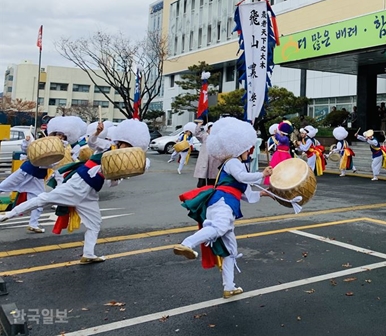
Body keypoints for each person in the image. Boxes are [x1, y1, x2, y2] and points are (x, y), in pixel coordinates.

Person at [1, 118, 150, 263]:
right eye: (126, 144)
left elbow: (114, 181)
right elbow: (92, 143)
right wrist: (97, 133)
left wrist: (121, 175)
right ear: (123, 141)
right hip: (79, 183)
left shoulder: (126, 159)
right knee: (43, 199)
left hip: (91, 192)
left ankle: (88, 254)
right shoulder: (108, 146)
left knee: (95, 223)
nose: (127, 148)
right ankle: (8, 215)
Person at [174, 117, 273, 298]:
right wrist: (262, 174)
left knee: (230, 251)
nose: (250, 151)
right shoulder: (233, 162)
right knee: (218, 229)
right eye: (248, 148)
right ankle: (186, 244)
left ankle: (229, 286)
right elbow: (243, 178)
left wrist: (263, 193)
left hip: (224, 203)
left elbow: (246, 194)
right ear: (240, 147)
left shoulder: (234, 164)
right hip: (222, 204)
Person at [0, 116, 84, 233]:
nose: (59, 137)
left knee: (38, 200)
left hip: (38, 177)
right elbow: (28, 150)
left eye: (62, 135)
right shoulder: (44, 142)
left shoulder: (63, 149)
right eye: (57, 134)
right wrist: (27, 141)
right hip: (26, 171)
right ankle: (32, 223)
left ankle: (33, 224)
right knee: (3, 187)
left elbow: (53, 164)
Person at [194, 122, 220, 188]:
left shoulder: (218, 138)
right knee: (201, 179)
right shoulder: (204, 136)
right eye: (210, 129)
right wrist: (199, 125)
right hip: (204, 160)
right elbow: (196, 134)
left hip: (214, 161)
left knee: (212, 180)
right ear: (207, 130)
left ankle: (210, 192)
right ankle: (201, 192)